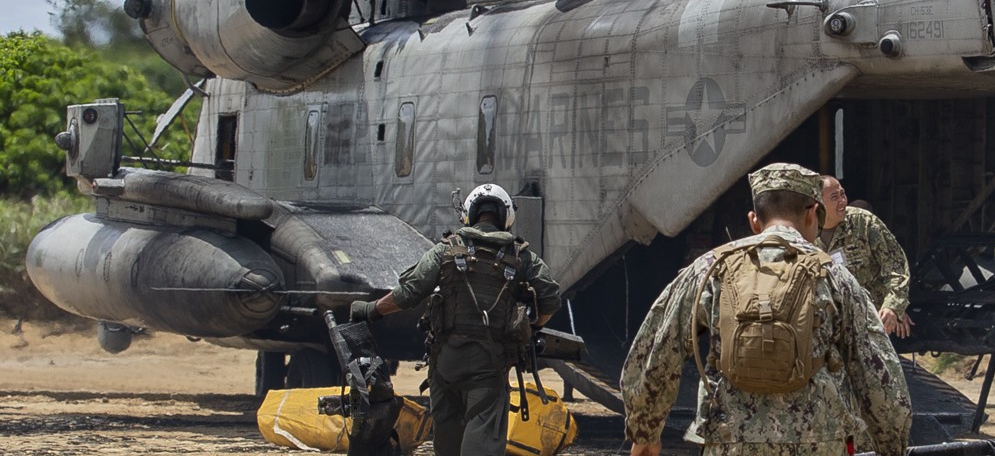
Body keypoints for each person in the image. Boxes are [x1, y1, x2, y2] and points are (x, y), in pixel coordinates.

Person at [619, 162, 911, 456]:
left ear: (754, 221)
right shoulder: (835, 277)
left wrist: (645, 431)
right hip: (819, 440)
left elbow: (656, 350)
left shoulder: (710, 269)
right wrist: (891, 444)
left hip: (730, 440)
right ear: (812, 215)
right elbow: (880, 374)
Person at [352, 183, 562, 456]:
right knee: (483, 433)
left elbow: (408, 293)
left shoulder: (446, 250)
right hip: (490, 365)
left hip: (445, 363)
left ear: (470, 214)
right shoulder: (523, 258)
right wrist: (535, 326)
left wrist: (371, 310)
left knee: (447, 436)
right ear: (506, 217)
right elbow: (551, 299)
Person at [817, 174, 913, 338]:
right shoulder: (803, 232)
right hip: (829, 328)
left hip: (872, 324)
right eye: (834, 197)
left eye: (843, 194)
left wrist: (893, 307)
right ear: (817, 204)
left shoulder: (864, 222)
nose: (843, 201)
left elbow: (896, 267)